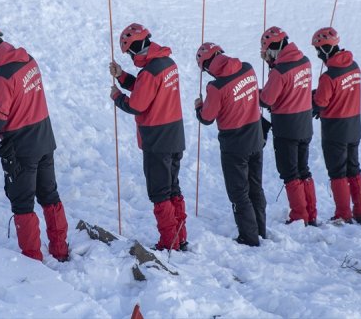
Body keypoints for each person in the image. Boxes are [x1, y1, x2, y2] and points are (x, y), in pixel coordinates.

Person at [0, 24, 69, 262]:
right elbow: (16, 91)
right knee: (49, 196)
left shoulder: (0, 78)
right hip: (44, 138)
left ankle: (32, 259)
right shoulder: (28, 61)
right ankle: (60, 251)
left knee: (23, 203)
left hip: (22, 148)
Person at [109, 23, 188, 251]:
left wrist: (117, 97)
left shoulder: (150, 72)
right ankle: (180, 237)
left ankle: (169, 243)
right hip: (175, 135)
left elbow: (137, 104)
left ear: (134, 48)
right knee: (173, 188)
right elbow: (146, 87)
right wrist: (122, 76)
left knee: (160, 193)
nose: (131, 57)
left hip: (157, 139)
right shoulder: (167, 63)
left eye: (129, 53)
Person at [194, 42, 267, 246]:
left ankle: (249, 237)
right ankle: (260, 230)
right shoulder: (247, 68)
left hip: (234, 144)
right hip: (256, 136)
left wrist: (199, 107)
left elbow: (207, 118)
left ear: (207, 66)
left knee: (239, 193)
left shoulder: (216, 87)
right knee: (256, 187)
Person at [258, 26, 316, 226]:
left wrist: (257, 92)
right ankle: (311, 213)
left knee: (290, 173)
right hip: (305, 123)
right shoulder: (304, 61)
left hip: (286, 126)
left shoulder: (279, 71)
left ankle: (299, 216)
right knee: (303, 169)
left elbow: (267, 99)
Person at [311, 27, 361, 224]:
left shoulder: (329, 76)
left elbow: (321, 102)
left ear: (325, 49)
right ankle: (360, 211)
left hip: (335, 128)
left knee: (337, 172)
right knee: (354, 168)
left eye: (318, 50)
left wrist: (313, 101)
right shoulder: (354, 66)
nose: (318, 55)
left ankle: (343, 214)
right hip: (354, 125)